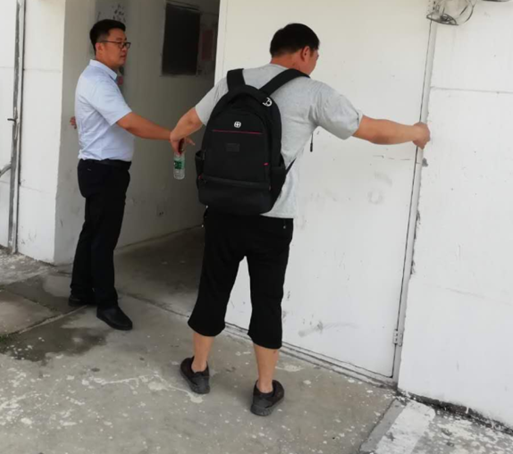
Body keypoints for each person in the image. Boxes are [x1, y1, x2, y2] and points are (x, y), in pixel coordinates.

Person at [169, 23, 430, 416]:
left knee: (213, 288)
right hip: (272, 218)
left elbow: (190, 121)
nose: (315, 62)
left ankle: (199, 369)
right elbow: (373, 131)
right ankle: (264, 389)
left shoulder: (232, 82)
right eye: (316, 56)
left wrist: (174, 136)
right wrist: (417, 132)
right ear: (305, 52)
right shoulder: (313, 93)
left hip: (222, 211)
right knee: (267, 299)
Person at [70, 19, 178, 331]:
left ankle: (80, 291)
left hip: (98, 169)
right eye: (118, 43)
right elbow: (129, 123)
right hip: (104, 171)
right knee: (103, 239)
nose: (124, 48)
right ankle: (107, 303)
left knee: (92, 232)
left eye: (126, 43)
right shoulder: (99, 81)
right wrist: (172, 134)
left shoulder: (99, 78)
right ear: (100, 46)